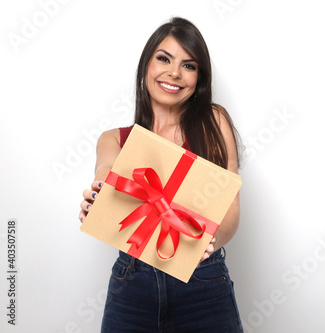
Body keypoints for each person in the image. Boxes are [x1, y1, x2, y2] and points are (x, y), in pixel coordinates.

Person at [78, 17, 243, 332]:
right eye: (164, 59)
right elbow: (106, 173)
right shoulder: (114, 138)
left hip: (202, 280)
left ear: (199, 78)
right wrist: (97, 198)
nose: (175, 73)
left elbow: (230, 202)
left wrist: (211, 240)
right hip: (132, 284)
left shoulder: (213, 121)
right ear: (146, 66)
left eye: (189, 65)